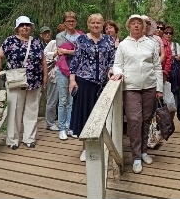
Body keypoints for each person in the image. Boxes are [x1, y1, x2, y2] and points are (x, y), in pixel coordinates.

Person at [110, 14, 162, 174]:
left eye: (139, 23)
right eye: (133, 23)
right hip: (130, 87)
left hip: (149, 86)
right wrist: (118, 73)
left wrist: (159, 88)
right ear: (129, 27)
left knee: (146, 119)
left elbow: (157, 66)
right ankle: (136, 157)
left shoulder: (151, 44)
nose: (136, 26)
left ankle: (144, 151)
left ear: (144, 27)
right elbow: (117, 64)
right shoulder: (124, 45)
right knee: (134, 119)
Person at [0, 16, 46, 150]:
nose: (25, 27)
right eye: (22, 25)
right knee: (14, 110)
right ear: (17, 28)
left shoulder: (37, 42)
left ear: (31, 27)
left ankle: (29, 138)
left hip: (34, 81)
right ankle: (13, 140)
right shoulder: (10, 41)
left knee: (32, 110)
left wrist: (45, 77)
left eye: (27, 25)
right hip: (16, 80)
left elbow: (43, 60)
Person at [68, 13, 116, 152]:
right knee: (85, 115)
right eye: (93, 23)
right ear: (88, 24)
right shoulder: (81, 39)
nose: (96, 25)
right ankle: (86, 148)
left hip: (102, 83)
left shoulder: (108, 40)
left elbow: (112, 59)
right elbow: (75, 60)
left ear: (103, 25)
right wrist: (72, 80)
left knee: (100, 115)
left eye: (98, 23)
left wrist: (111, 69)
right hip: (84, 81)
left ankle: (101, 146)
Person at [55, 11, 81, 140]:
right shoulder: (60, 36)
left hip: (77, 71)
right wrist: (72, 51)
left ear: (76, 22)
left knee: (72, 100)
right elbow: (60, 52)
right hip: (62, 70)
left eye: (73, 20)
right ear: (64, 22)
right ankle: (61, 128)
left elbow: (81, 53)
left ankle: (70, 126)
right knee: (63, 100)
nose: (71, 22)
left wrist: (67, 51)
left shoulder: (81, 36)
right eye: (68, 20)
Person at [40, 26, 59, 131]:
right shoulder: (51, 43)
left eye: (48, 33)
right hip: (50, 75)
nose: (47, 35)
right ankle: (50, 122)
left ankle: (57, 121)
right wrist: (56, 53)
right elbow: (44, 56)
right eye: (44, 33)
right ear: (41, 35)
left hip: (58, 75)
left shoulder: (54, 43)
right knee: (52, 99)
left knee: (60, 100)